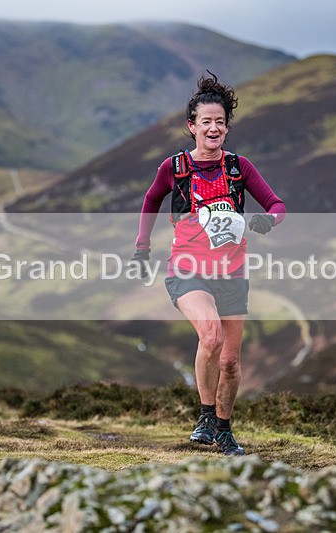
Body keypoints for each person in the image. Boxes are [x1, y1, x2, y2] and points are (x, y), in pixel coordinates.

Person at [131, 72, 286, 456]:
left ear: (227, 127)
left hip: (232, 275)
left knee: (231, 363)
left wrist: (267, 220)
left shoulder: (239, 168)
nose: (213, 128)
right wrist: (142, 247)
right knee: (211, 336)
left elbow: (278, 206)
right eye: (206, 122)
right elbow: (151, 201)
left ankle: (223, 429)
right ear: (192, 126)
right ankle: (204, 415)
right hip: (187, 271)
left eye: (220, 122)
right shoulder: (176, 168)